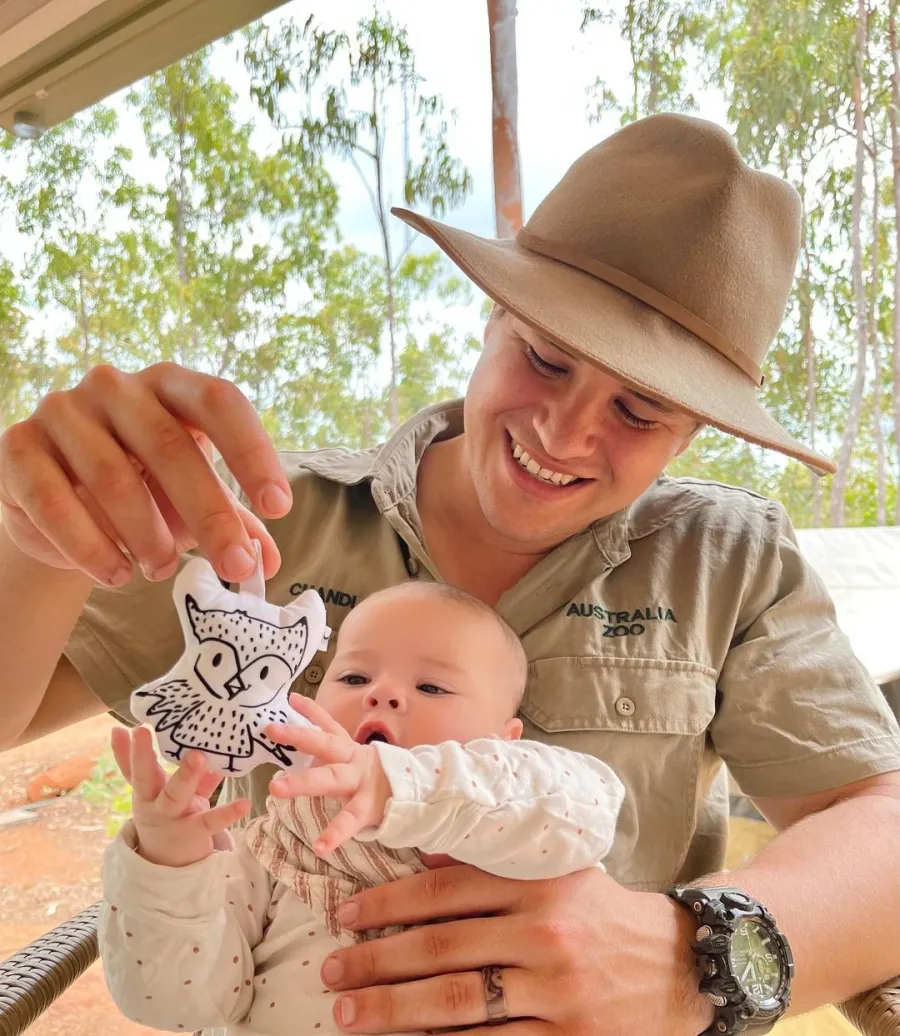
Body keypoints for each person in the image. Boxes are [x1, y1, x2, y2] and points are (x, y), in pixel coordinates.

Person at [1, 112, 899, 1034]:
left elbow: (881, 824)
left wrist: (688, 956)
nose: (563, 433)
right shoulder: (263, 523)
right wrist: (33, 543)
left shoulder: (729, 561)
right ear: (493, 312)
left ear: (696, 430)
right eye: (545, 357)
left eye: (639, 411)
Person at [98, 581, 624, 1036]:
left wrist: (401, 784)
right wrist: (168, 867)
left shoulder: (525, 812)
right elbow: (174, 1004)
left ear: (504, 740)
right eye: (353, 678)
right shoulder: (275, 846)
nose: (383, 694)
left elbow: (591, 813)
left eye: (432, 686)